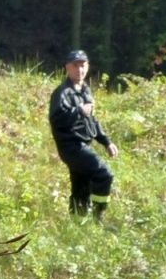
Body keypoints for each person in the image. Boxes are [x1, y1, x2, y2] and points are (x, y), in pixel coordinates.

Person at [48, 49, 119, 219]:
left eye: (83, 66)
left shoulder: (85, 90)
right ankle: (98, 217)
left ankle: (77, 221)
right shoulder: (62, 92)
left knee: (81, 186)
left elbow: (91, 121)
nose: (79, 70)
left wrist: (106, 142)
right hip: (71, 146)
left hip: (83, 144)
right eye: (75, 66)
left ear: (87, 67)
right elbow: (56, 120)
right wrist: (79, 111)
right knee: (104, 174)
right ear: (67, 68)